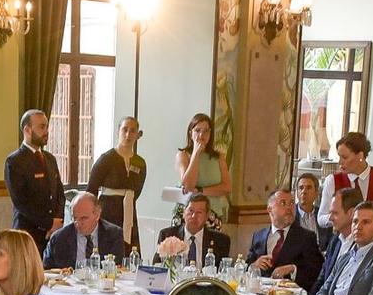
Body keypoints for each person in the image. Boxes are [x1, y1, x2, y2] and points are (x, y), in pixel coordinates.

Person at [4, 108, 65, 249]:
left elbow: (60, 194)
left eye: (47, 126)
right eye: (42, 127)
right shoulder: (15, 161)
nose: (46, 131)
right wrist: (49, 223)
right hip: (27, 234)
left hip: (53, 233)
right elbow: (21, 202)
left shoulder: (50, 159)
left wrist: (58, 220)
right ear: (27, 130)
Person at [245, 185, 324, 293]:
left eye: (291, 203)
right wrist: (254, 266)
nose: (289, 207)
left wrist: (292, 269)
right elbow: (246, 266)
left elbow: (317, 271)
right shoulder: (258, 236)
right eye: (283, 203)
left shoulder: (306, 237)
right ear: (270, 209)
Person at [87, 115, 147, 244]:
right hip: (108, 211)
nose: (128, 134)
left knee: (129, 247)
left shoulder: (140, 163)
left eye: (132, 131)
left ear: (137, 135)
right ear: (118, 132)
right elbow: (91, 189)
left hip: (129, 211)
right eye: (124, 130)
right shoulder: (106, 159)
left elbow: (137, 190)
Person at [42, 190, 128, 269]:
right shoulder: (58, 239)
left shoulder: (113, 235)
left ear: (97, 215)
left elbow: (117, 269)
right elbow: (46, 271)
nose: (78, 223)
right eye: (75, 218)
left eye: (84, 218)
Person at [175, 112, 232, 225]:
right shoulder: (183, 155)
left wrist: (201, 191)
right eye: (197, 130)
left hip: (212, 213)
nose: (202, 135)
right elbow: (188, 185)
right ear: (191, 133)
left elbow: (227, 187)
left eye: (206, 131)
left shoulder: (219, 157)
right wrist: (196, 154)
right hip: (188, 213)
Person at [320, 130, 373, 218]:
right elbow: (321, 217)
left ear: (360, 156)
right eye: (339, 157)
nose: (340, 162)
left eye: (344, 157)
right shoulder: (332, 180)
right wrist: (339, 217)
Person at [158, 193, 232, 266]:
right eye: (191, 211)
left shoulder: (221, 240)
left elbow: (223, 271)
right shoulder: (167, 235)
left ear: (207, 216)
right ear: (184, 213)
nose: (194, 216)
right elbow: (156, 266)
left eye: (199, 212)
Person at [295, 173, 324, 238]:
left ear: (316, 192)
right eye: (301, 188)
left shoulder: (321, 215)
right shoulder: (291, 214)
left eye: (308, 188)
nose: (304, 191)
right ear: (297, 192)